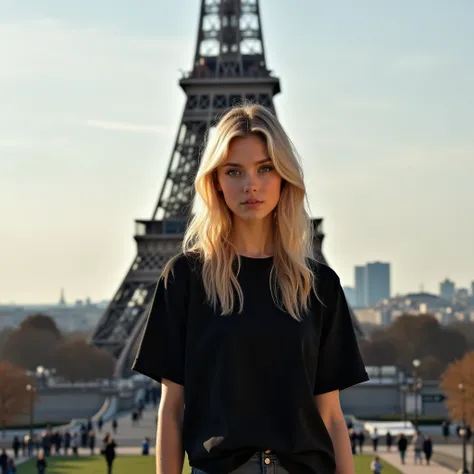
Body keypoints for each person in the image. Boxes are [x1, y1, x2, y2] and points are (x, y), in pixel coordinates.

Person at [132, 103, 369, 474]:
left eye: (265, 168)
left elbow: (331, 417)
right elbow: (171, 410)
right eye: (234, 171)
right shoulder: (185, 279)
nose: (251, 185)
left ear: (284, 177)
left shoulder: (320, 285)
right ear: (216, 182)